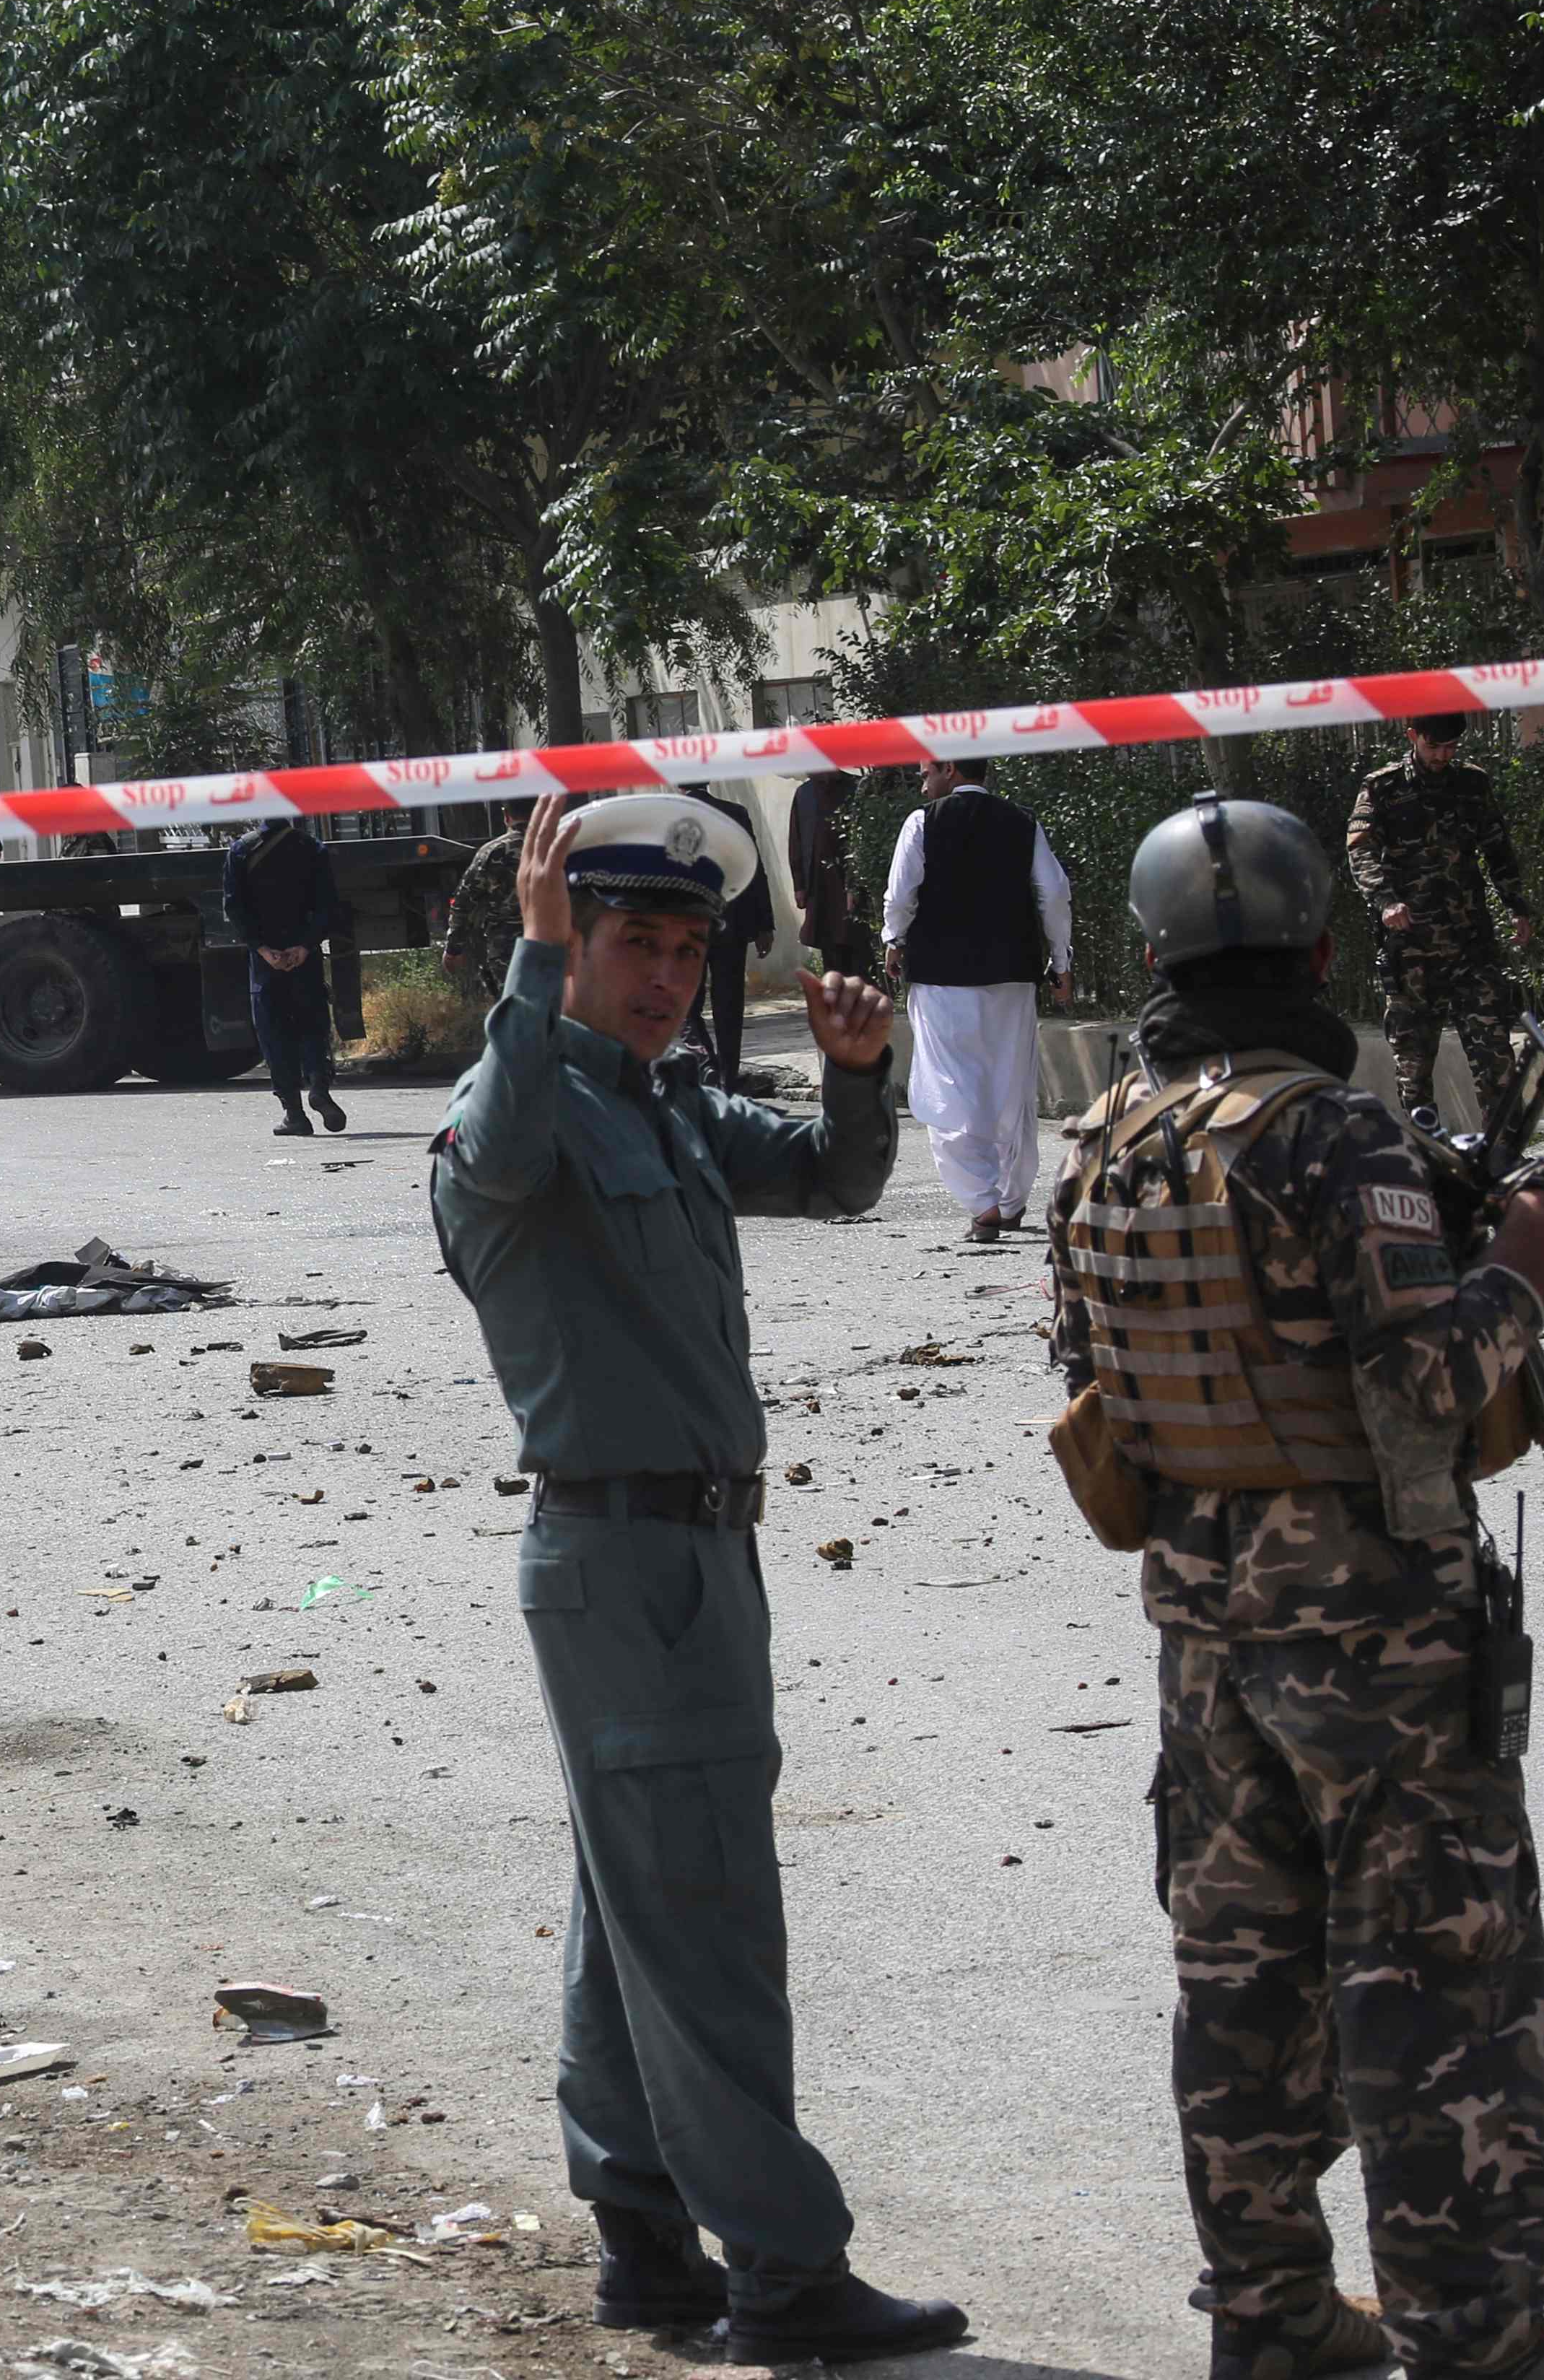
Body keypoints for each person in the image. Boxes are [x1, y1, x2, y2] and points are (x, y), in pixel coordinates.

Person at [1044, 794, 1544, 2380]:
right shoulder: (1332, 1133)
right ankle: (1478, 2336)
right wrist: (1520, 1246)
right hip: (1372, 1635)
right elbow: (1423, 1379)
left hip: (1198, 1627)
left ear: (1148, 954)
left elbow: (1090, 1377)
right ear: (1318, 945)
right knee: (1432, 1981)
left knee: (1240, 1977)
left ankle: (1264, 2317)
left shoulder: (1102, 1141)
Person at [430, 793, 965, 2366]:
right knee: (708, 1911)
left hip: (691, 1551)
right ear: (563, 944)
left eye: (680, 946)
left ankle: (644, 2239)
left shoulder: (655, 1106)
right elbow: (504, 1135)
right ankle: (786, 2273)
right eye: (628, 942)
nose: (663, 973)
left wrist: (859, 1076)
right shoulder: (509, 1109)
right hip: (622, 1557)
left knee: (635, 1908)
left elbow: (832, 1181)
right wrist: (526, 974)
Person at [882, 756, 1072, 1239]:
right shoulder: (1021, 821)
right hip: (1012, 973)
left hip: (941, 975)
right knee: (1010, 1087)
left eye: (925, 770)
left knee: (949, 1087)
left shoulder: (922, 822)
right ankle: (1010, 1200)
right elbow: (1052, 893)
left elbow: (900, 894)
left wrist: (893, 938)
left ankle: (981, 1201)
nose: (921, 780)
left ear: (948, 768)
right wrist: (1061, 961)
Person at [1345, 712, 1536, 1123]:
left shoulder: (1472, 783)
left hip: (1470, 940)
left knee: (1495, 1053)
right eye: (1434, 746)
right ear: (1413, 736)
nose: (1442, 755)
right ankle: (1428, 1152)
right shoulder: (1382, 787)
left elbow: (1497, 846)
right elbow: (1359, 851)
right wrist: (1386, 901)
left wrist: (1516, 904)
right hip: (1411, 944)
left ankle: (1503, 1153)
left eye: (1450, 747)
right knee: (1414, 1062)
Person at [221, 814, 346, 1135]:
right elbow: (327, 904)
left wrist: (263, 950)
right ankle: (319, 1086)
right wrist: (304, 947)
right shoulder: (311, 848)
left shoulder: (241, 851)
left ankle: (294, 1113)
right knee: (312, 1023)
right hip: (304, 957)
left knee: (274, 1033)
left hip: (267, 962)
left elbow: (234, 907)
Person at [682, 785, 775, 1091]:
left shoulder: (669, 815)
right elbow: (754, 871)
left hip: (687, 929)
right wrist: (764, 924)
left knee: (686, 1005)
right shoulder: (735, 815)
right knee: (729, 1006)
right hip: (730, 925)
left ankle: (707, 1064)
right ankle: (728, 1078)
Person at [786, 770, 878, 980]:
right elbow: (796, 841)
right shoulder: (804, 794)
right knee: (830, 952)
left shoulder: (856, 787)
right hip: (819, 887)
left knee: (859, 951)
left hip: (851, 885)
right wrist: (799, 885)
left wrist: (855, 884)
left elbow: (865, 840)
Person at [440, 808, 527, 994]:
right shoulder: (563, 843)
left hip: (508, 950)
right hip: (559, 947)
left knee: (516, 1011)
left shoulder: (494, 852)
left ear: (506, 815)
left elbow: (463, 902)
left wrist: (454, 949)